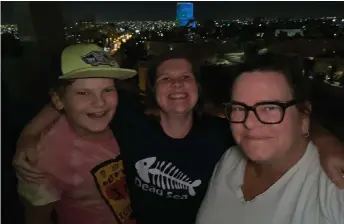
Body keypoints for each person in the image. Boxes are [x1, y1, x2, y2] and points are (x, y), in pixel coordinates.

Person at [14, 51, 344, 224]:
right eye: (165, 78)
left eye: (185, 77)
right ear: (151, 89)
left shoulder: (224, 135)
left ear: (198, 89)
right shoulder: (128, 119)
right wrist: (28, 136)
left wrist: (324, 139)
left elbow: (271, 123)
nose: (175, 85)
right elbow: (79, 99)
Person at [196, 57, 344, 224]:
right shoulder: (229, 161)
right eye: (239, 108)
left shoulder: (334, 186)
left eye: (270, 107)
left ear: (303, 115)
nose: (249, 123)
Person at [15, 44, 137, 224]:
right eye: (83, 92)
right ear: (58, 100)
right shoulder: (41, 159)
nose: (99, 103)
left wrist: (29, 133)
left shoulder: (126, 116)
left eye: (107, 90)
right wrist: (28, 137)